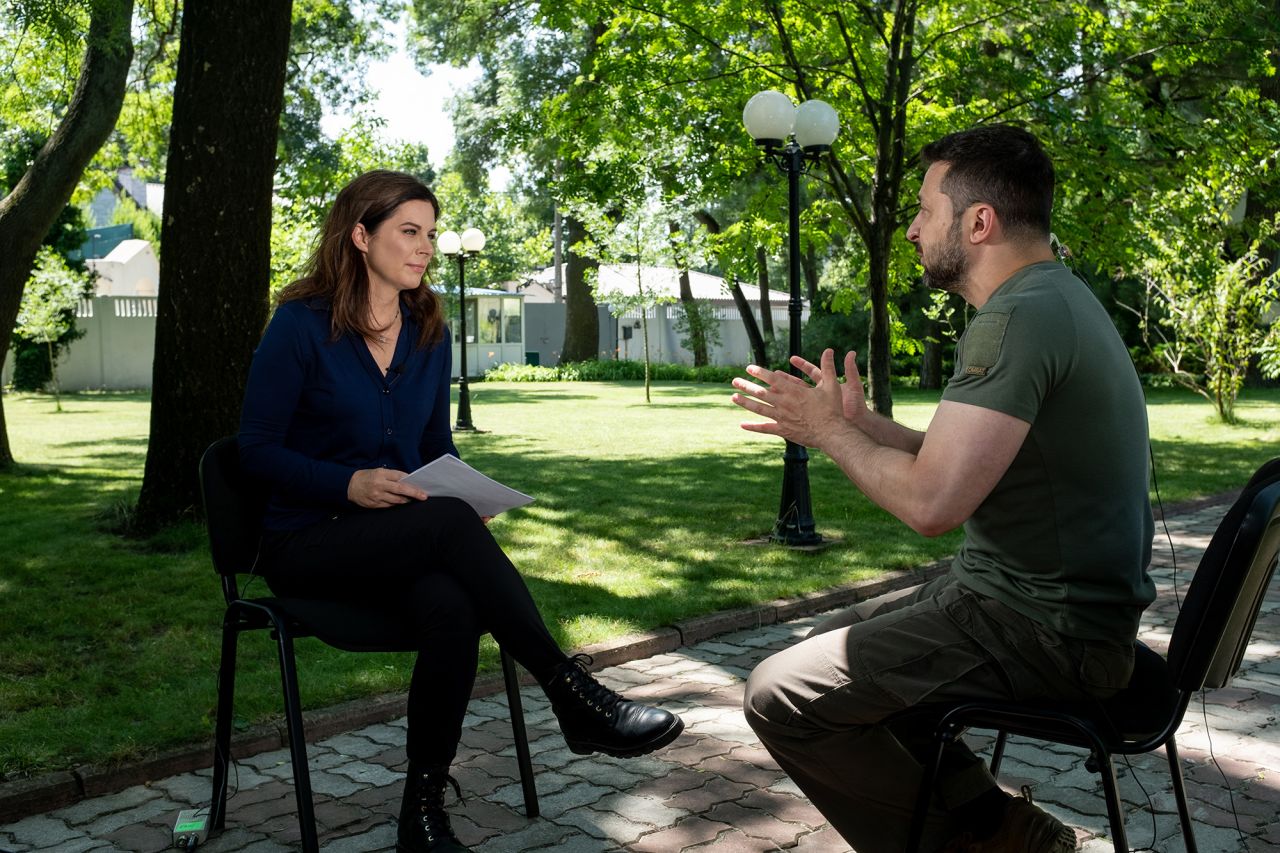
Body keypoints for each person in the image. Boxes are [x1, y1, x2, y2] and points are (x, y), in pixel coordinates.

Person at [730, 126, 1155, 853]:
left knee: (783, 694)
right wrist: (860, 424)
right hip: (1037, 610)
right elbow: (956, 461)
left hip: (1047, 631)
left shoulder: (1018, 317)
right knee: (839, 655)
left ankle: (969, 844)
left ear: (979, 221)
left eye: (925, 209)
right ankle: (1005, 828)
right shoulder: (1053, 299)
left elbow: (932, 505)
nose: (910, 230)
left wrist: (827, 433)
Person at [238, 170, 684, 853]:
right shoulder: (300, 325)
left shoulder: (426, 326)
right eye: (408, 232)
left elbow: (431, 445)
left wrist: (463, 491)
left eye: (431, 234)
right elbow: (254, 450)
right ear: (360, 236)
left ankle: (422, 814)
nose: (425, 249)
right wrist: (347, 484)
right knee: (445, 535)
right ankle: (571, 693)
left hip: (393, 537)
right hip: (306, 541)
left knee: (454, 603)